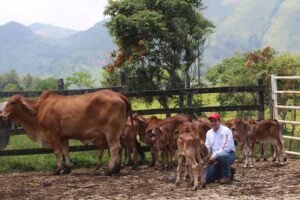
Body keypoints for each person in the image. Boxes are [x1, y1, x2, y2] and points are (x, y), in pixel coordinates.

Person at [204, 112, 236, 184]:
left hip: (228, 155)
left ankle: (226, 176)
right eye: (211, 121)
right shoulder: (209, 133)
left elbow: (226, 147)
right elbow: (207, 147)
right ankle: (229, 171)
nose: (213, 123)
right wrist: (204, 155)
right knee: (206, 178)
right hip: (214, 158)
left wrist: (214, 156)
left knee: (221, 156)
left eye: (215, 121)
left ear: (219, 121)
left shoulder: (226, 131)